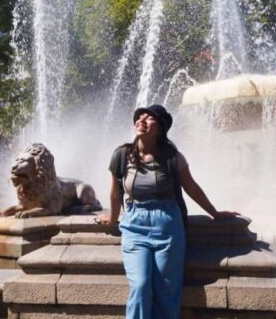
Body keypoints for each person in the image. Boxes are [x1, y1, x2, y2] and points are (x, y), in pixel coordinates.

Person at [97, 104, 238, 319]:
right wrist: (112, 218)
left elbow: (192, 188)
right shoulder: (122, 155)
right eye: (140, 116)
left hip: (167, 225)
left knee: (166, 290)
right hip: (134, 226)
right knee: (140, 285)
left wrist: (215, 213)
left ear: (161, 128)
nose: (142, 120)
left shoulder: (173, 158)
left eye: (149, 118)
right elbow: (115, 193)